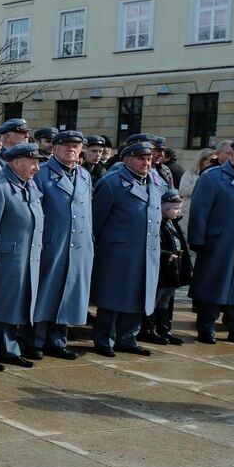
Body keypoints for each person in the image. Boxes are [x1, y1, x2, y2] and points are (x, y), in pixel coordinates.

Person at [0, 142, 45, 371]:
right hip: (4, 258)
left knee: (16, 306)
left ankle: (10, 350)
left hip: (26, 257)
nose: (37, 168)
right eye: (32, 163)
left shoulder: (30, 185)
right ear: (15, 162)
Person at [91, 141, 164, 358]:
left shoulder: (155, 181)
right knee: (112, 296)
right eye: (141, 158)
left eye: (148, 158)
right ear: (127, 160)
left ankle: (128, 338)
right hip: (118, 251)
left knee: (139, 294)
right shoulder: (112, 182)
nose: (146, 162)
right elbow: (97, 219)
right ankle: (104, 339)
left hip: (147, 249)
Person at [31, 131, 92, 361]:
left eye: (75, 146)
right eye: (65, 146)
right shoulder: (42, 173)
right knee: (45, 293)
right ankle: (35, 341)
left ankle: (58, 341)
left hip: (77, 245)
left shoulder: (84, 175)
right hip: (51, 243)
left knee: (68, 294)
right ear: (54, 148)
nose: (71, 150)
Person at [187, 144, 234, 344]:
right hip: (218, 243)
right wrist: (197, 240)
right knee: (212, 284)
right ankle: (206, 326)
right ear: (233, 153)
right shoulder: (212, 177)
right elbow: (199, 212)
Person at [151, 189, 190, 345]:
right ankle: (150, 328)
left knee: (166, 300)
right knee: (157, 299)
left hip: (172, 269)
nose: (178, 211)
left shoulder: (172, 223)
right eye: (175, 208)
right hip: (163, 270)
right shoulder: (159, 225)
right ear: (164, 209)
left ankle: (164, 329)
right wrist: (166, 254)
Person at [179, 147, 218, 226]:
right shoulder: (190, 173)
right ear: (202, 160)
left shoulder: (215, 174)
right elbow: (182, 192)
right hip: (189, 211)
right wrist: (201, 180)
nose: (213, 163)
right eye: (211, 160)